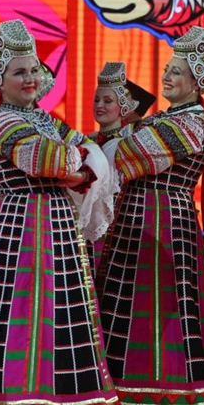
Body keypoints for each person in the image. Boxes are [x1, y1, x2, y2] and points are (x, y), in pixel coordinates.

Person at [0, 19, 117, 405]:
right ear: (0, 81)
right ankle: (17, 391)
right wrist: (80, 162)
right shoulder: (2, 120)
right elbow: (45, 159)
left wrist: (80, 163)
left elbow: (94, 154)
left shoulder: (44, 119)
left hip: (58, 225)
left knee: (61, 308)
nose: (31, 78)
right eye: (20, 72)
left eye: (34, 70)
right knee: (22, 307)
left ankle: (60, 390)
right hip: (21, 225)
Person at [96, 26, 204, 404]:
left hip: (164, 222)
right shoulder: (164, 119)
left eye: (176, 72)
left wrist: (110, 142)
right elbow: (117, 147)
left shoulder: (190, 123)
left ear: (196, 83)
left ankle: (163, 386)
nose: (166, 76)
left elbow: (129, 155)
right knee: (124, 301)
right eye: (167, 69)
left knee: (162, 306)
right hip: (136, 220)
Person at [88, 61, 139, 269]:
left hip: (120, 227)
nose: (99, 105)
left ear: (123, 108)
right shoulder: (86, 141)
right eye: (96, 100)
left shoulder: (128, 144)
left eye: (107, 101)